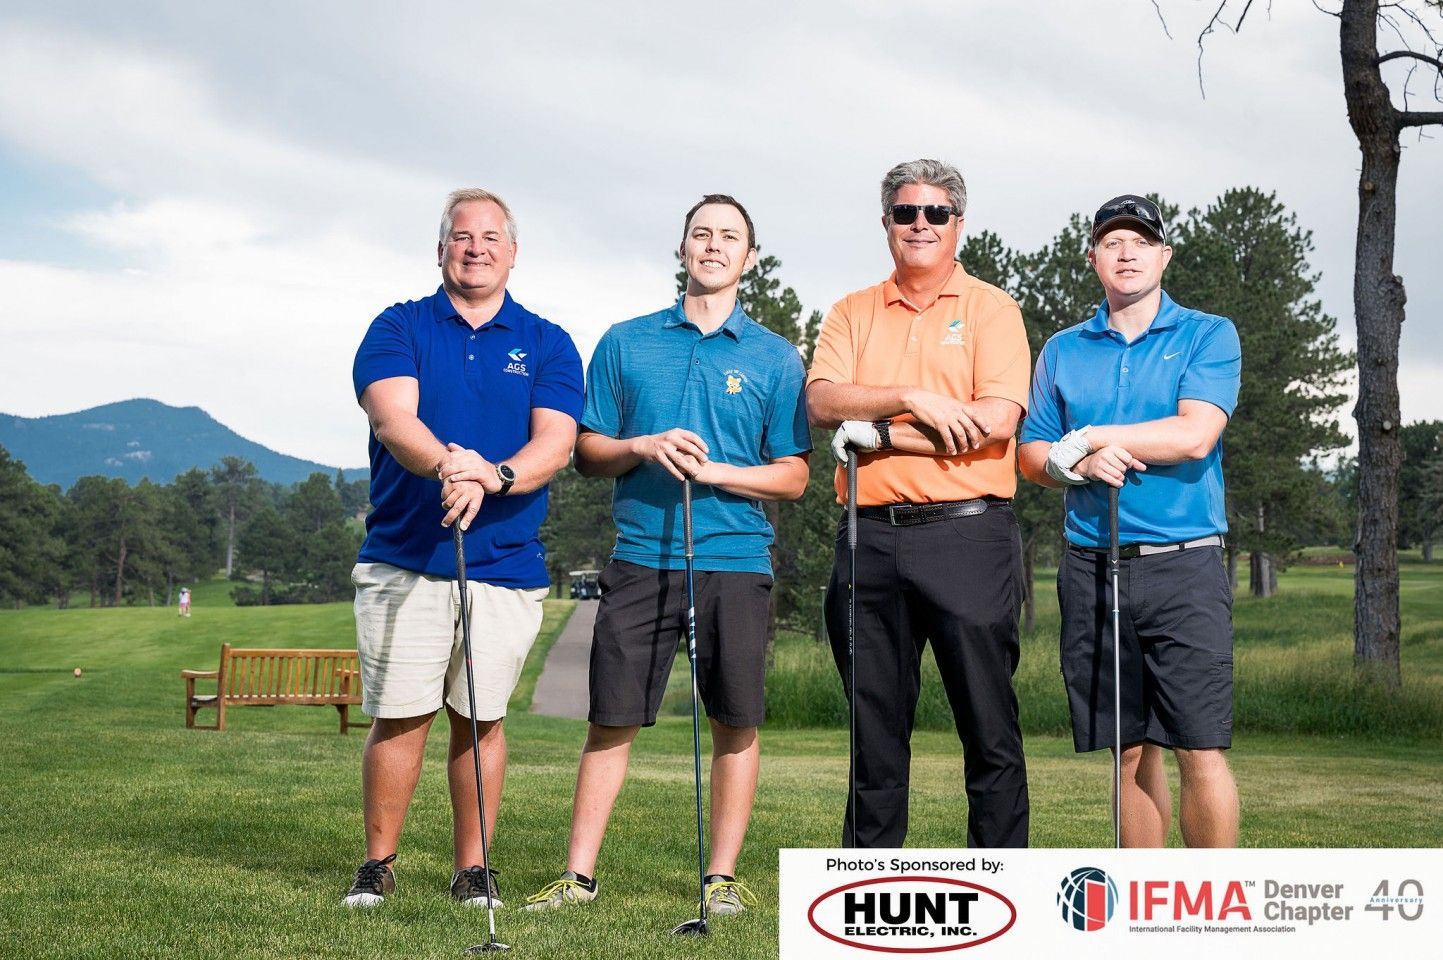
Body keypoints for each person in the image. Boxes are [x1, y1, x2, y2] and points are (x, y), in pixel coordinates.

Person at [523, 194, 810, 914]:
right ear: (681, 249)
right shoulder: (625, 342)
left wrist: (717, 472)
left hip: (735, 560)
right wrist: (643, 446)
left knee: (734, 722)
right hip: (642, 556)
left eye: (729, 237)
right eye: (700, 234)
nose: (713, 246)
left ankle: (721, 880)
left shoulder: (776, 357)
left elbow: (794, 476)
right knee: (611, 718)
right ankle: (577, 878)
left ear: (749, 257)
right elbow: (588, 452)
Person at [344, 188, 583, 907]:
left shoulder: (548, 342)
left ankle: (473, 870)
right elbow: (393, 418)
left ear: (513, 252)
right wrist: (452, 465)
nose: (475, 248)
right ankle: (378, 864)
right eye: (461, 236)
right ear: (441, 248)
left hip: (504, 565)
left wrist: (494, 475)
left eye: (489, 237)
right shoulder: (399, 325)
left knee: (480, 718)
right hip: (405, 558)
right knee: (401, 713)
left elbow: (556, 442)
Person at [807, 159, 1032, 849]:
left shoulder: (991, 308)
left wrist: (880, 433)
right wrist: (915, 398)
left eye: (936, 213)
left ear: (958, 224)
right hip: (869, 539)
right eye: (906, 212)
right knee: (872, 731)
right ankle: (866, 889)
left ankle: (1004, 887)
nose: (920, 225)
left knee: (987, 727)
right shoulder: (852, 311)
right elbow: (822, 400)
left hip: (967, 536)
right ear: (886, 223)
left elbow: (994, 421)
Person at [1018, 194, 1242, 847]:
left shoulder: (1207, 334)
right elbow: (1032, 455)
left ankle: (1211, 903)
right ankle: (1138, 900)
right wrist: (1079, 466)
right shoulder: (1063, 349)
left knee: (1198, 746)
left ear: (1163, 256)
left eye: (1141, 242)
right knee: (1127, 748)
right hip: (1092, 567)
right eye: (1112, 243)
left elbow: (1194, 435)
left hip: (1184, 566)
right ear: (1093, 258)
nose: (1126, 254)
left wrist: (1090, 436)